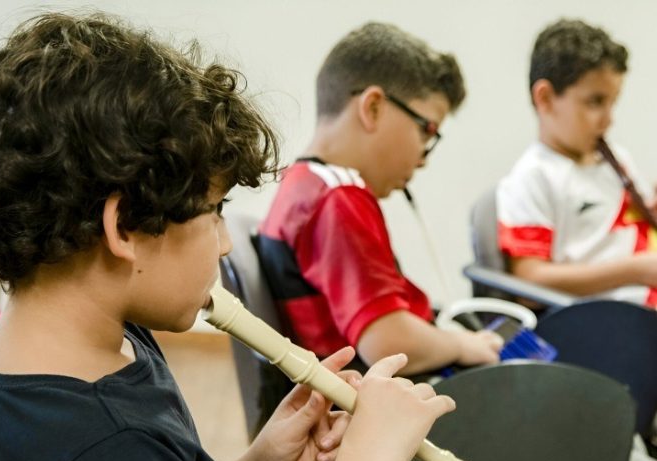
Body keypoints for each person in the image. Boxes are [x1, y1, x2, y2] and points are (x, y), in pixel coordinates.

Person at [0, 13, 457, 461]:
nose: (224, 243)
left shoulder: (97, 338)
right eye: (214, 211)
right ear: (125, 226)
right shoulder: (103, 446)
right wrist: (371, 455)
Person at [256, 22, 503, 377]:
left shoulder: (304, 182)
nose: (423, 158)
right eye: (427, 131)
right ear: (372, 107)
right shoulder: (338, 198)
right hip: (387, 392)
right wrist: (462, 345)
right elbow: (388, 343)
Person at [497, 19, 657, 306]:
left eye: (612, 103)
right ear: (545, 98)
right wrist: (636, 270)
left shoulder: (616, 160)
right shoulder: (534, 177)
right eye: (595, 102)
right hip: (615, 315)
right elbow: (529, 283)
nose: (609, 119)